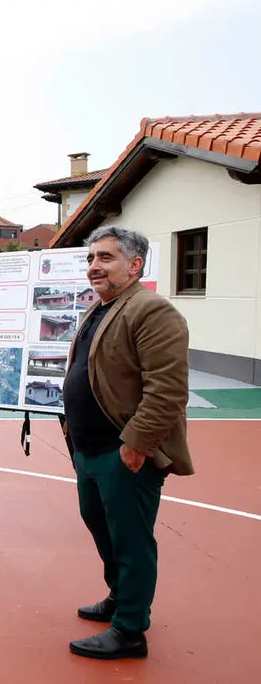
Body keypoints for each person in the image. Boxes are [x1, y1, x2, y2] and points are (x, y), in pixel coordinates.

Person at [61, 226, 193, 660]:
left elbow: (168, 390)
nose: (94, 266)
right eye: (91, 258)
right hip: (89, 451)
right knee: (104, 532)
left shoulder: (153, 311)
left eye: (106, 258)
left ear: (135, 265)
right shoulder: (99, 309)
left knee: (132, 542)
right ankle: (120, 599)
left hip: (124, 455)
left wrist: (136, 446)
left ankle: (130, 629)